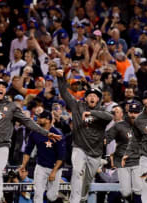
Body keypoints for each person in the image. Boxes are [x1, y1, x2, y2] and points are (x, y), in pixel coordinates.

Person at [56, 69, 113, 202]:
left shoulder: (102, 111)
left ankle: (81, 198)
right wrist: (60, 78)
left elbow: (110, 117)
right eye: (90, 95)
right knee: (77, 173)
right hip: (79, 147)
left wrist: (92, 114)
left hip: (95, 153)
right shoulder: (77, 106)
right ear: (86, 98)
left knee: (87, 182)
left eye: (95, 96)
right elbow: (65, 94)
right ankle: (74, 200)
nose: (92, 97)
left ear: (98, 99)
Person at [20, 110, 66, 203]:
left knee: (51, 197)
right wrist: (23, 165)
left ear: (48, 120)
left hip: (55, 167)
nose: (38, 119)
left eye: (41, 118)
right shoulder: (34, 133)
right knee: (38, 193)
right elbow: (28, 150)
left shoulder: (57, 134)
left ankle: (60, 196)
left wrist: (53, 172)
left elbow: (61, 156)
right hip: (41, 166)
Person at [107, 102, 142, 203]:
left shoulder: (145, 125)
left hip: (138, 161)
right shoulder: (120, 126)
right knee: (125, 192)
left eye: (136, 112)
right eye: (131, 112)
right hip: (123, 162)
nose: (133, 115)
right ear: (127, 113)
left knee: (138, 190)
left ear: (140, 113)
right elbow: (107, 137)